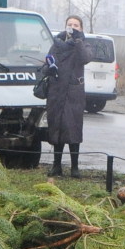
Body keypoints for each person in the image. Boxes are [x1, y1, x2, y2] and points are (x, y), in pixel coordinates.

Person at [45, 15, 92, 177]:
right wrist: (49, 68)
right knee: (57, 126)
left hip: (74, 93)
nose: (72, 27)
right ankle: (56, 165)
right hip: (56, 91)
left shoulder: (83, 43)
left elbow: (86, 58)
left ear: (81, 28)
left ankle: (74, 167)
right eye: (70, 24)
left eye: (76, 25)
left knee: (73, 128)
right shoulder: (57, 44)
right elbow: (47, 62)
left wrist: (78, 41)